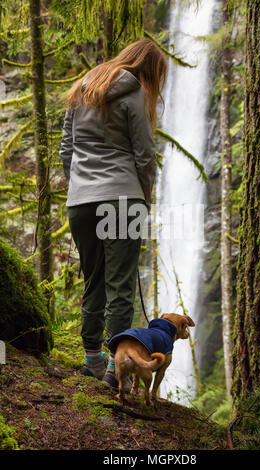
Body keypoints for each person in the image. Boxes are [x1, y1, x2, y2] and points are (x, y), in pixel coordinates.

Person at [59, 38, 168, 390]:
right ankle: (113, 370)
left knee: (94, 278)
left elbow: (66, 150)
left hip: (81, 202)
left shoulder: (82, 89)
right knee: (120, 283)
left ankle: (92, 357)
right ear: (148, 69)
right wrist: (144, 198)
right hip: (123, 199)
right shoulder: (134, 93)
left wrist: (80, 186)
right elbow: (145, 156)